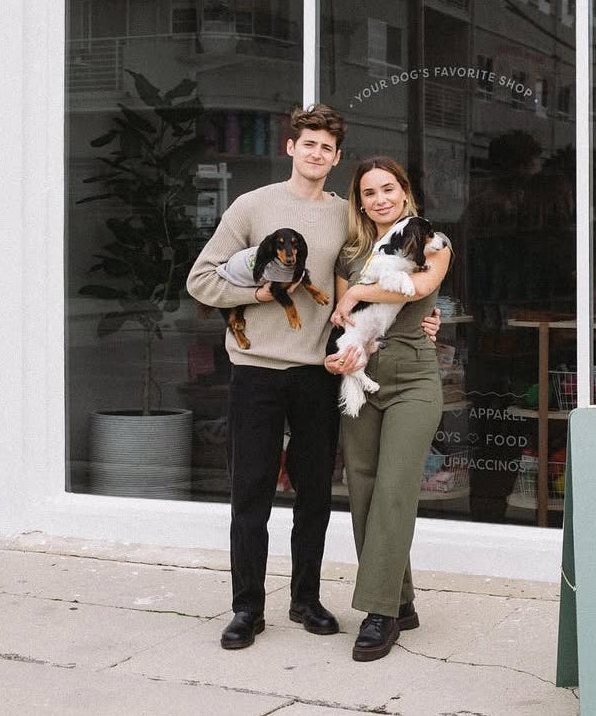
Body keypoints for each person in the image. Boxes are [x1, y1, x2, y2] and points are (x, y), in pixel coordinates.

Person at [186, 103, 349, 651]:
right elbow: (201, 280)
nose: (317, 153)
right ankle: (247, 609)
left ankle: (306, 600)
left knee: (315, 494)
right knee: (250, 493)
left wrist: (425, 314)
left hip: (315, 373)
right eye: (309, 144)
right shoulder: (252, 206)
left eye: (327, 147)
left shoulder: (345, 215)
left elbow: (371, 276)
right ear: (291, 148)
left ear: (336, 157)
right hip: (255, 372)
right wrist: (257, 295)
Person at [326, 156, 451, 662]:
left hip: (414, 379)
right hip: (363, 374)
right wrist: (342, 356)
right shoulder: (350, 254)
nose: (380, 199)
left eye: (388, 189)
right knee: (363, 489)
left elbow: (417, 287)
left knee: (395, 489)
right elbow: (346, 319)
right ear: (359, 202)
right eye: (369, 193)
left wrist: (359, 289)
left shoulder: (432, 243)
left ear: (404, 191)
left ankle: (379, 614)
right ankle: (401, 602)